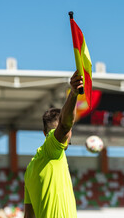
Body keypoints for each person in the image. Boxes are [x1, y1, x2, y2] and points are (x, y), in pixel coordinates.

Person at [24, 70, 83, 218]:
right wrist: (74, 93)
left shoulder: (30, 169)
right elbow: (63, 126)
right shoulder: (52, 150)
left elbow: (29, 216)